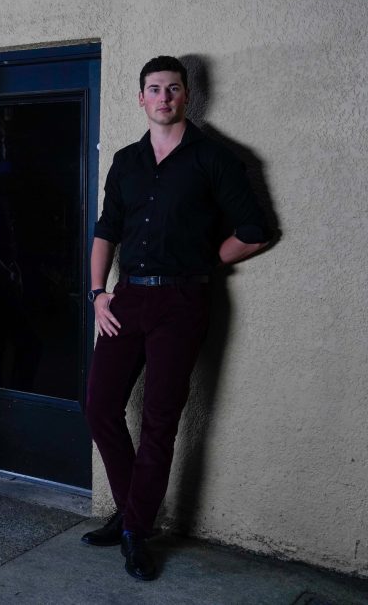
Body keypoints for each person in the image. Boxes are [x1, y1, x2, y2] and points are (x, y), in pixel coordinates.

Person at [81, 56, 269, 580]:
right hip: (126, 300)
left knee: (159, 420)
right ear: (141, 98)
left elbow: (255, 231)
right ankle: (132, 514)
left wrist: (202, 262)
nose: (163, 97)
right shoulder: (126, 161)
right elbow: (106, 229)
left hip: (183, 304)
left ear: (186, 95)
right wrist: (97, 294)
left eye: (173, 88)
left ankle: (136, 530)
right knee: (99, 407)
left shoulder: (214, 158)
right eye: (154, 89)